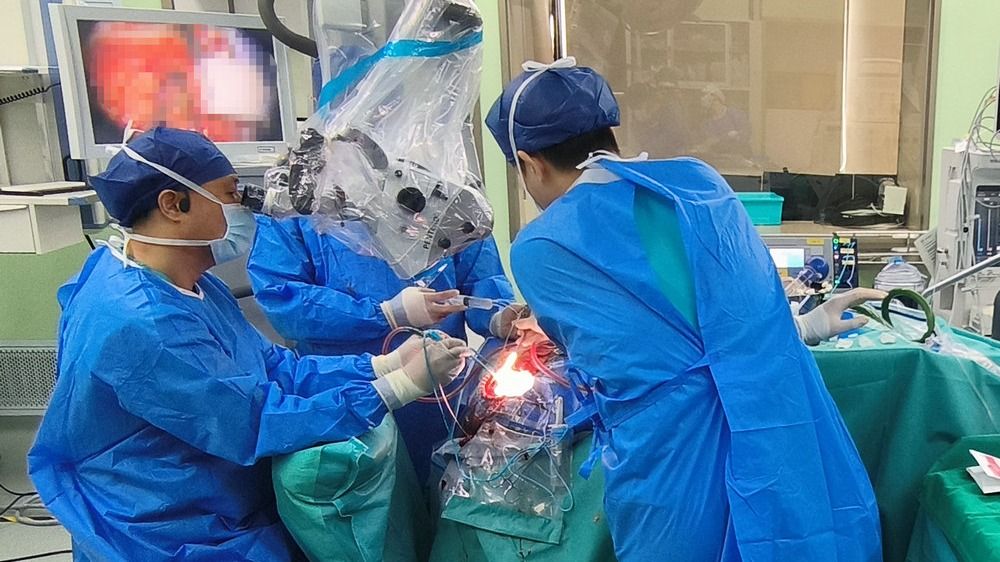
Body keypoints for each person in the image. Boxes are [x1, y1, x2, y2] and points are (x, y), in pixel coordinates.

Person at [485, 59, 883, 561]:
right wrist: (804, 324)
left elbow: (619, 359)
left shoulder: (543, 245)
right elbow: (733, 317)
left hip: (674, 458)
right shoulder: (699, 186)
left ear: (530, 163)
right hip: (777, 421)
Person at [27, 127, 469, 561]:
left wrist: (381, 365)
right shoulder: (143, 324)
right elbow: (254, 419)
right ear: (173, 205)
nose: (246, 206)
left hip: (212, 487)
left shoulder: (189, 284)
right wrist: (396, 389)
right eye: (230, 193)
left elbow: (272, 367)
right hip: (164, 525)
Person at [247, 217, 519, 482]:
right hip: (340, 390)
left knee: (444, 487)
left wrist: (498, 318)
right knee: (366, 497)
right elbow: (287, 304)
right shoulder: (296, 208)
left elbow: (482, 281)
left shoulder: (448, 201)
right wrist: (385, 314)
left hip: (440, 389)